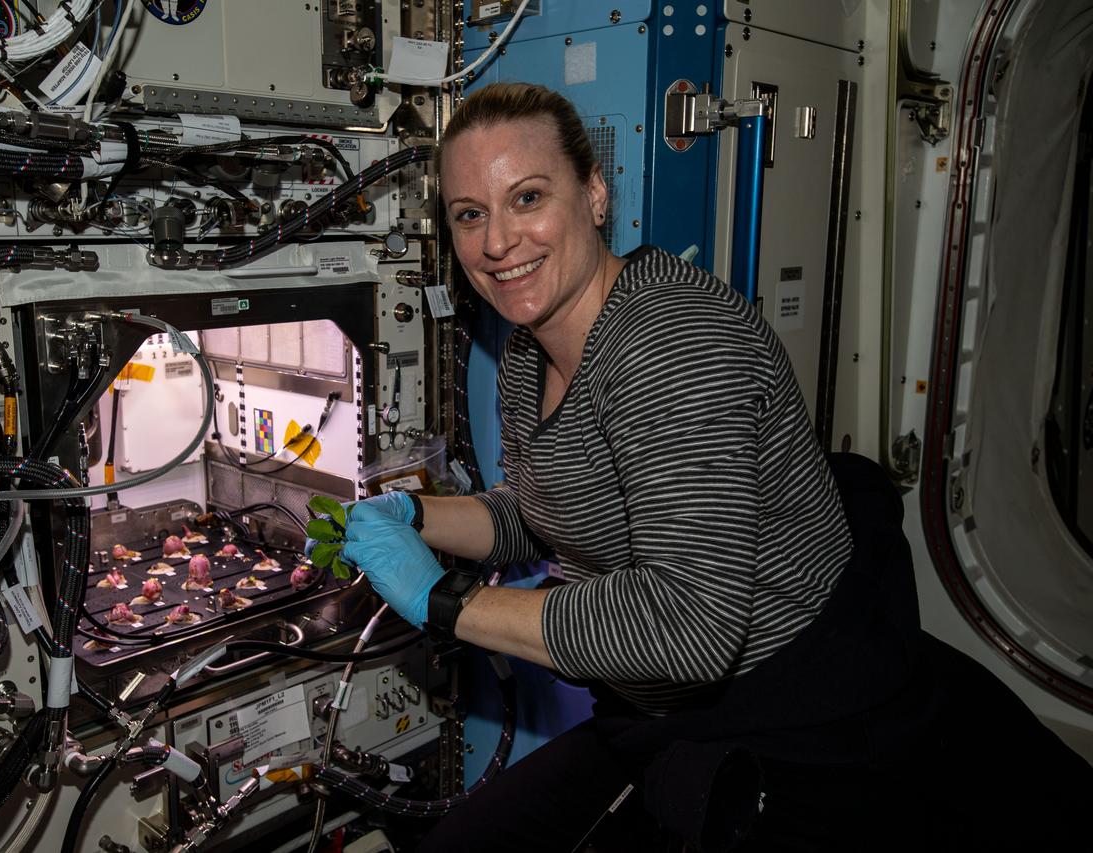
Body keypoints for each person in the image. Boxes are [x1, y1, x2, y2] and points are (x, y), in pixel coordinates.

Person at [334, 83, 1092, 850]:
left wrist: (444, 601)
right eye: (470, 214)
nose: (498, 241)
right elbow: (541, 509)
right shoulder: (530, 354)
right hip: (659, 714)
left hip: (802, 724)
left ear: (594, 194)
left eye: (527, 197)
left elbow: (688, 625)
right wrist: (415, 517)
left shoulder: (672, 341)